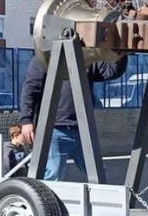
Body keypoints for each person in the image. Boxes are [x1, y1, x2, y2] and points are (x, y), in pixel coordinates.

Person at [19, 53, 127, 181]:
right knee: (53, 175)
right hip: (54, 129)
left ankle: (103, 200)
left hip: (83, 130)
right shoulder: (45, 58)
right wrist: (27, 121)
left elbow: (111, 71)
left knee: (99, 174)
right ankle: (46, 201)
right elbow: (30, 90)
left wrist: (120, 54)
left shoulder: (85, 58)